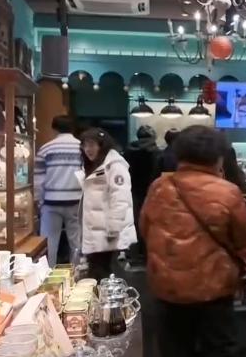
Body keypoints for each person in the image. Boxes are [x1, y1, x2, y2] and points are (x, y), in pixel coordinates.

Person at [140, 125, 246, 357]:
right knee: (219, 348)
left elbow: (145, 229)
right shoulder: (228, 192)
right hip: (213, 290)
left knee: (174, 349)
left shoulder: (159, 187)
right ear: (218, 157)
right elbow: (244, 238)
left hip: (168, 288)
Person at [77, 128, 138, 280]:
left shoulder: (115, 165)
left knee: (106, 274)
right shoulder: (93, 165)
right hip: (95, 231)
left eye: (92, 145)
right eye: (85, 145)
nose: (88, 149)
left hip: (108, 233)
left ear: (102, 145)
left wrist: (114, 229)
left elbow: (120, 198)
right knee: (100, 273)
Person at [34, 115, 82, 267]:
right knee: (77, 242)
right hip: (77, 201)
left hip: (51, 202)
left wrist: (40, 201)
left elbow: (38, 180)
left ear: (54, 129)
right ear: (72, 128)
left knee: (49, 242)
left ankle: (47, 274)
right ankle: (77, 274)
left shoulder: (46, 148)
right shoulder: (81, 148)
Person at [122, 125, 160, 270]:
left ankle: (133, 256)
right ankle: (146, 256)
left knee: (134, 223)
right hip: (150, 191)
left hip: (132, 191)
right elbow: (157, 172)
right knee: (149, 224)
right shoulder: (155, 152)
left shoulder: (128, 151)